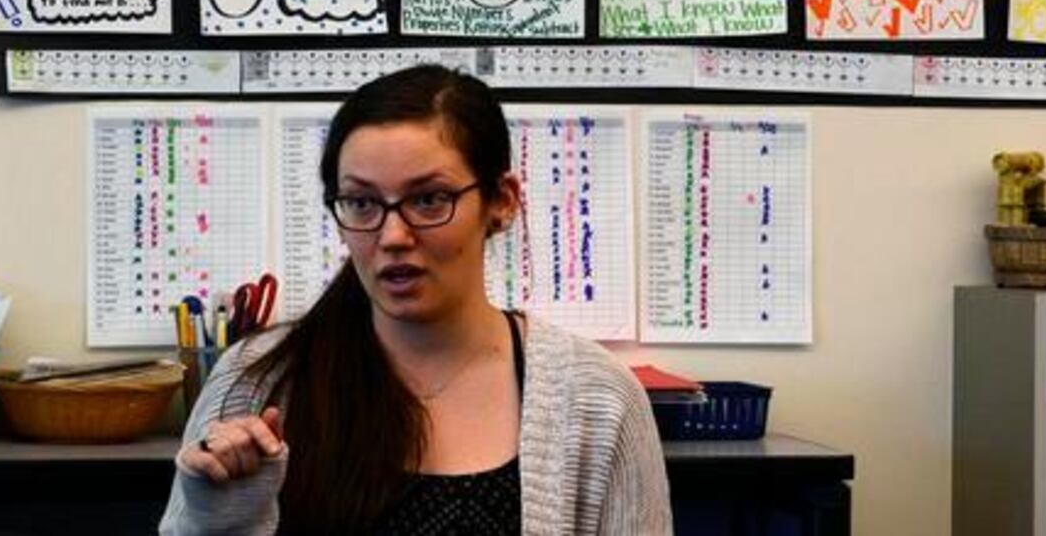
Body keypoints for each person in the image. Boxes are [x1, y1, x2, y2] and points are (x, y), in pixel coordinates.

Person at [160, 65, 672, 535]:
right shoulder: (256, 383)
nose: (393, 236)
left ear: (501, 201)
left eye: (429, 199)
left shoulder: (599, 400)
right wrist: (218, 521)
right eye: (362, 203)